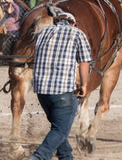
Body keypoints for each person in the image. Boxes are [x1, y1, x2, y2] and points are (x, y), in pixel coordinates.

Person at [28, 12, 90, 160]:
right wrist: (84, 85)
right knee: (60, 130)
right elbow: (84, 62)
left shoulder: (41, 33)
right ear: (73, 23)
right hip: (63, 90)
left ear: (55, 21)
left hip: (42, 91)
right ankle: (38, 157)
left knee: (57, 127)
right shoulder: (76, 33)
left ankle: (66, 157)